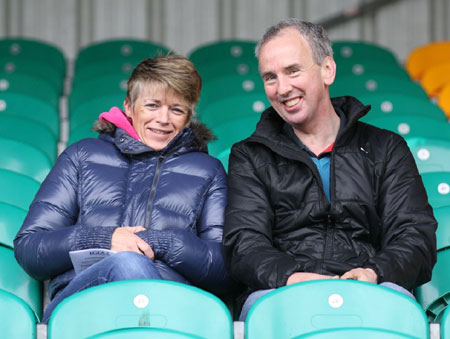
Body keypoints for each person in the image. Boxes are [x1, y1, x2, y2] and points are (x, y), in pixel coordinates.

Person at [222, 18, 437, 321]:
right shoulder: (250, 155)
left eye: (293, 70)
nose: (282, 88)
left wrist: (373, 272)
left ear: (327, 70)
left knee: (399, 309)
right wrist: (294, 277)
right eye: (270, 77)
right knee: (264, 314)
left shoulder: (385, 148)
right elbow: (244, 244)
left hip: (373, 287)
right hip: (281, 291)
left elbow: (414, 236)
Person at [14, 55, 232, 322]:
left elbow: (225, 268)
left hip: (172, 303)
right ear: (129, 106)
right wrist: (105, 239)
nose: (163, 119)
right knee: (128, 263)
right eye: (152, 105)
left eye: (176, 110)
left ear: (188, 117)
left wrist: (165, 243)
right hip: (86, 302)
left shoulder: (207, 170)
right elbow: (30, 249)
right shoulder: (82, 156)